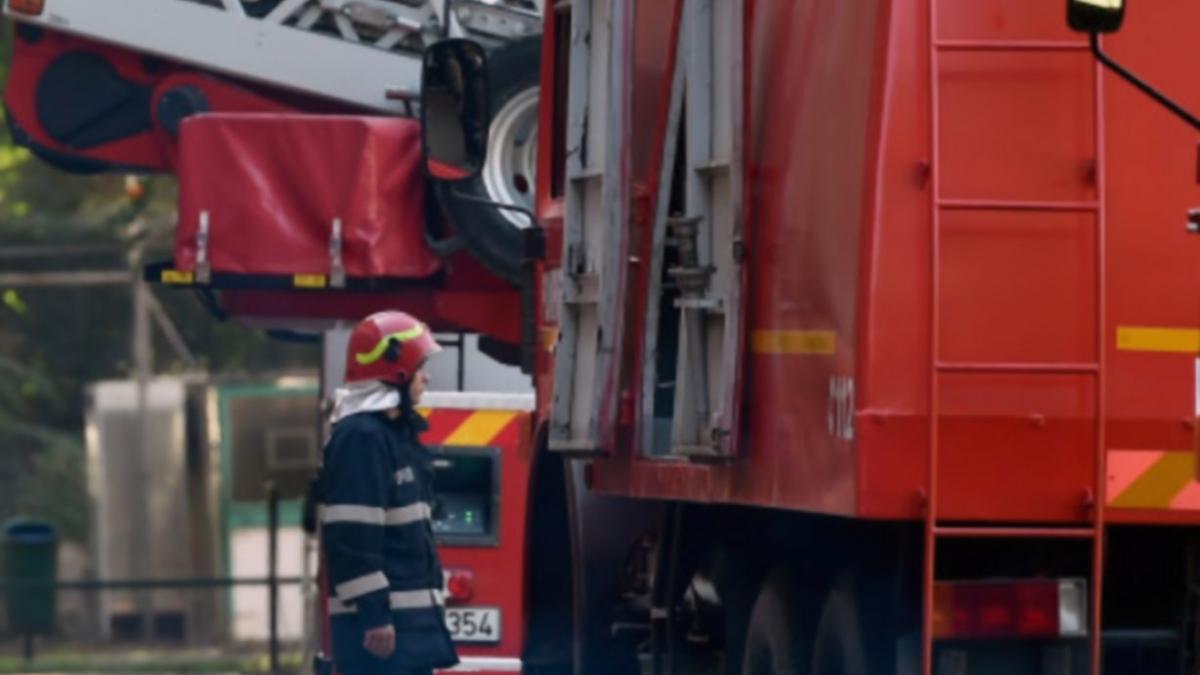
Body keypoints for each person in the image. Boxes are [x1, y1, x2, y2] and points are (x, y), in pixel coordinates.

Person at [318, 311, 459, 675]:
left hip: (403, 635)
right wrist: (375, 615)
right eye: (420, 367)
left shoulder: (389, 436)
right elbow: (353, 534)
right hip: (380, 638)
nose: (425, 378)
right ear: (396, 372)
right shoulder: (362, 439)